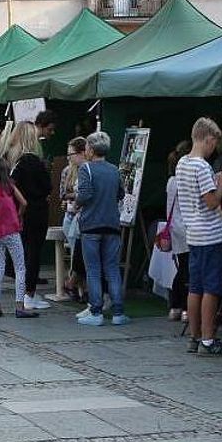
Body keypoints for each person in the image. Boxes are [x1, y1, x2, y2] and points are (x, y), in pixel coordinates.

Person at [177, 117, 222, 356]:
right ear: (208, 139)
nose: (214, 149)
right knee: (212, 288)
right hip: (210, 235)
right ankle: (209, 340)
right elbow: (211, 202)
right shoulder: (202, 166)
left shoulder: (182, 163)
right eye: (214, 143)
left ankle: (194, 336)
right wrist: (220, 183)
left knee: (195, 287)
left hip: (193, 233)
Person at [75, 131, 127, 327]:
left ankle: (96, 311)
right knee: (112, 268)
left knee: (94, 269)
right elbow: (121, 193)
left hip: (91, 225)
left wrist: (76, 203)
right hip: (112, 224)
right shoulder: (115, 170)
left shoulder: (86, 169)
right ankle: (118, 312)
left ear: (90, 149)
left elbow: (85, 194)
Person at [1, 122, 52, 311]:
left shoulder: (14, 161)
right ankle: (28, 293)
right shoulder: (33, 162)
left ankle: (25, 292)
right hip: (35, 211)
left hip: (20, 213)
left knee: (22, 254)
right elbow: (47, 187)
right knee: (33, 253)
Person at [0, 157, 35, 318]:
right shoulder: (9, 186)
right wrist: (18, 216)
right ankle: (19, 306)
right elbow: (24, 203)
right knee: (20, 267)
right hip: (11, 230)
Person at [165, 140, 190, 322]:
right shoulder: (184, 180)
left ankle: (175, 306)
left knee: (182, 268)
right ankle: (185, 308)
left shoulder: (171, 181)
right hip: (188, 228)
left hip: (175, 228)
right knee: (188, 270)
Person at [61, 137, 88, 301]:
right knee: (76, 255)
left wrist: (76, 196)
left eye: (71, 153)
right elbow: (62, 194)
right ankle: (81, 289)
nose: (69, 157)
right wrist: (75, 196)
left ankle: (75, 285)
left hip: (81, 216)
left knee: (80, 256)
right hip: (71, 217)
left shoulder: (87, 170)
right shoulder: (67, 171)